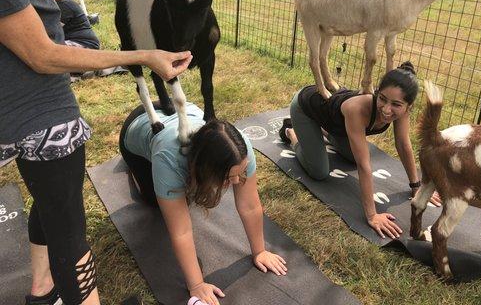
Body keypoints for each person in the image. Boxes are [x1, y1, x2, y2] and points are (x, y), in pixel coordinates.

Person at [0, 0, 192, 305]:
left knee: (52, 199)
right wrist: (143, 55)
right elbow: (42, 55)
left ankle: (42, 290)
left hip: (19, 109)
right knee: (69, 225)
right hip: (39, 108)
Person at [119, 102, 288, 305]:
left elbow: (250, 205)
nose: (235, 182)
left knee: (183, 194)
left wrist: (260, 251)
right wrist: (197, 285)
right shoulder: (168, 158)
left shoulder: (239, 149)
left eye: (239, 173)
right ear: (205, 168)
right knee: (155, 203)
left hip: (176, 108)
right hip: (139, 125)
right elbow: (180, 231)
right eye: (228, 177)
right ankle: (135, 170)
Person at [280, 62, 441, 240]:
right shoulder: (357, 108)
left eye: (396, 104)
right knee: (319, 171)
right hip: (306, 108)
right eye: (382, 99)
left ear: (408, 107)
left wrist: (416, 187)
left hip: (337, 123)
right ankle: (292, 132)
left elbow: (403, 145)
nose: (387, 109)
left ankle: (322, 133)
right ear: (377, 92)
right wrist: (372, 215)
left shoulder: (402, 111)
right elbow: (363, 166)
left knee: (350, 157)